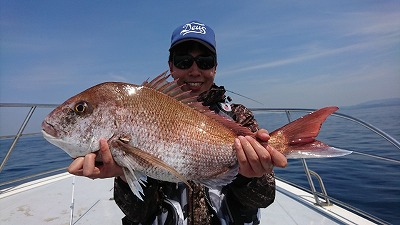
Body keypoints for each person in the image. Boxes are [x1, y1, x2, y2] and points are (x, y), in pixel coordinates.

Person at [68, 20, 287, 225]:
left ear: (215, 68)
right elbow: (139, 214)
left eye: (205, 61)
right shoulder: (142, 114)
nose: (194, 70)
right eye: (184, 61)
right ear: (171, 66)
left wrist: (248, 178)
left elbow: (263, 199)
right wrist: (125, 178)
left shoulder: (239, 117)